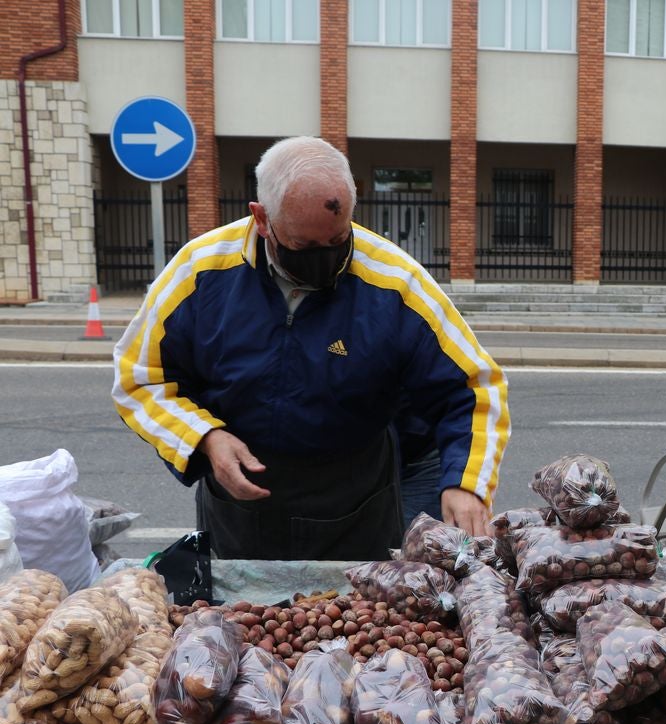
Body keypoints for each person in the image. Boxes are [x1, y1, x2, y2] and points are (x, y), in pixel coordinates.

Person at [112, 136, 509, 560]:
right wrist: (204, 438)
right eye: (304, 247)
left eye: (338, 241)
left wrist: (466, 483)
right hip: (238, 506)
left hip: (357, 507)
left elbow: (472, 388)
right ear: (261, 220)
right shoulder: (199, 272)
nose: (324, 259)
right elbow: (141, 380)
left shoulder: (396, 282)